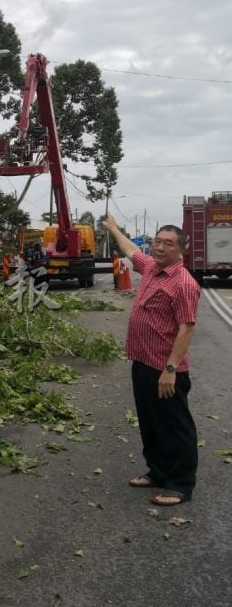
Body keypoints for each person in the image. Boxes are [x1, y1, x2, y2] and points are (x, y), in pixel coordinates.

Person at [102, 213, 200, 506]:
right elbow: (132, 250)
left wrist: (170, 369)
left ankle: (180, 484)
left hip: (164, 368)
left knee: (175, 427)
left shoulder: (182, 283)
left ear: (182, 248)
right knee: (150, 422)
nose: (159, 247)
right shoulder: (152, 269)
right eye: (157, 241)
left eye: (168, 244)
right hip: (142, 362)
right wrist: (113, 229)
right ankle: (157, 472)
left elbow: (187, 328)